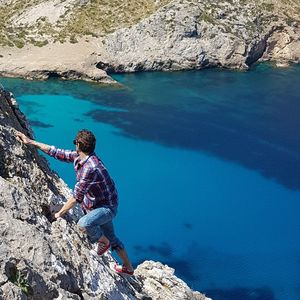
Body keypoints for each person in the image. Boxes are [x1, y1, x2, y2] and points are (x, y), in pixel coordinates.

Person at [16, 129, 134, 275]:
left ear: (78, 144)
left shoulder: (90, 168)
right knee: (112, 237)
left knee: (84, 224)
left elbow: (76, 198)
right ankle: (128, 267)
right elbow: (57, 152)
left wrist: (58, 214)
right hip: (102, 204)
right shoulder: (82, 157)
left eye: (75, 143)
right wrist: (30, 142)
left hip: (106, 208)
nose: (73, 146)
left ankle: (102, 242)